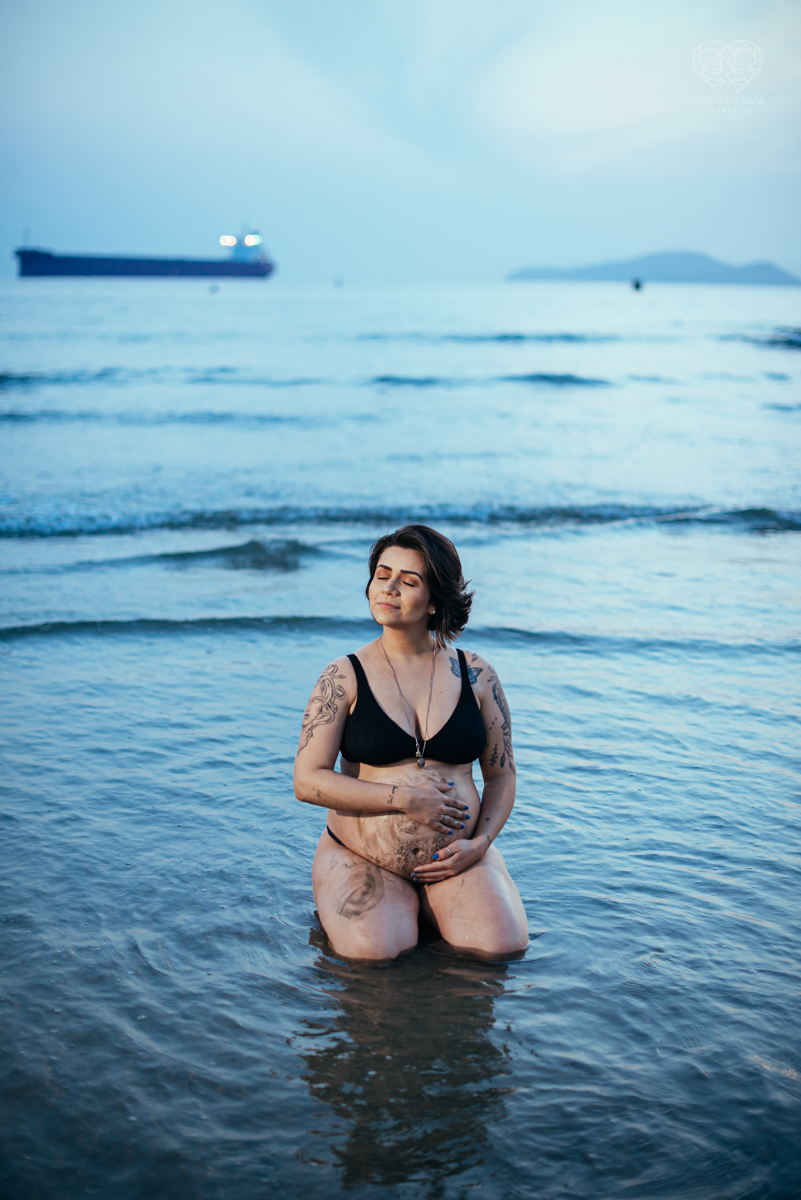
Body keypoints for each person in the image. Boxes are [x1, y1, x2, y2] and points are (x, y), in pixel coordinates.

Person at [293, 524, 529, 960]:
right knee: (374, 958)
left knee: (503, 948)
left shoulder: (477, 674)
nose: (389, 589)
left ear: (436, 600)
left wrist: (481, 843)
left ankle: (433, 908)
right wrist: (404, 799)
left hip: (459, 859)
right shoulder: (342, 676)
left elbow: (502, 776)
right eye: (382, 575)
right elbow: (307, 781)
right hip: (363, 858)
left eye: (409, 580)